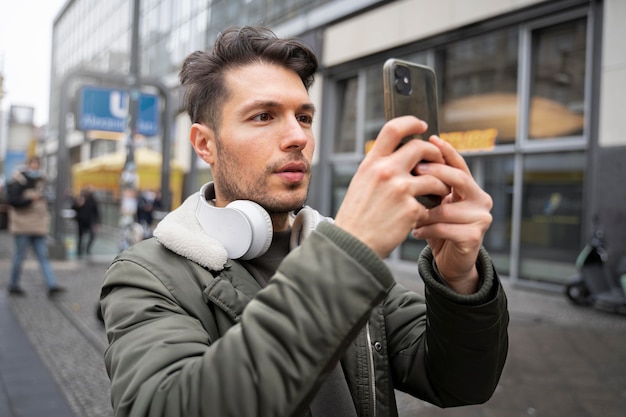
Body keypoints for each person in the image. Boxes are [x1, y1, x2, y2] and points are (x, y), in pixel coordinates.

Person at [100, 26, 509, 417]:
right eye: (263, 116)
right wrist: (349, 251)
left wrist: (460, 280)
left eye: (305, 117)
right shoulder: (147, 274)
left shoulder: (339, 257)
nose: (297, 136)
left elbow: (461, 383)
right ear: (205, 144)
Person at [6, 156, 64, 296]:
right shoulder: (19, 181)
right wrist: (32, 199)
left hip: (38, 225)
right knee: (19, 256)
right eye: (32, 164)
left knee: (43, 256)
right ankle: (13, 285)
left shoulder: (43, 181)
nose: (35, 167)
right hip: (23, 225)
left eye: (37, 164)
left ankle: (51, 285)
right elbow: (13, 201)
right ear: (28, 165)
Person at [71, 185, 100, 257]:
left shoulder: (93, 200)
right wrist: (78, 204)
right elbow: (73, 207)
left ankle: (88, 249)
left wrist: (97, 222)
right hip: (81, 221)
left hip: (89, 221)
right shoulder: (81, 198)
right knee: (80, 236)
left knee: (92, 235)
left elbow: (96, 212)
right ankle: (79, 249)